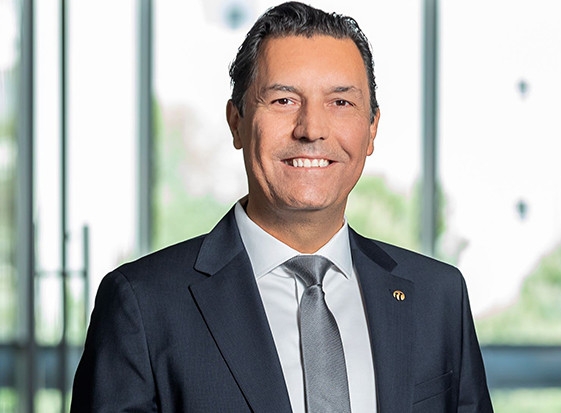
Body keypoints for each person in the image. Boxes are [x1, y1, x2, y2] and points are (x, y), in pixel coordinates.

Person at [70, 2, 493, 412]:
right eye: (283, 100)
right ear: (236, 122)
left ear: (371, 129)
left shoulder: (439, 298)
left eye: (340, 102)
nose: (311, 129)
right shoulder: (142, 305)